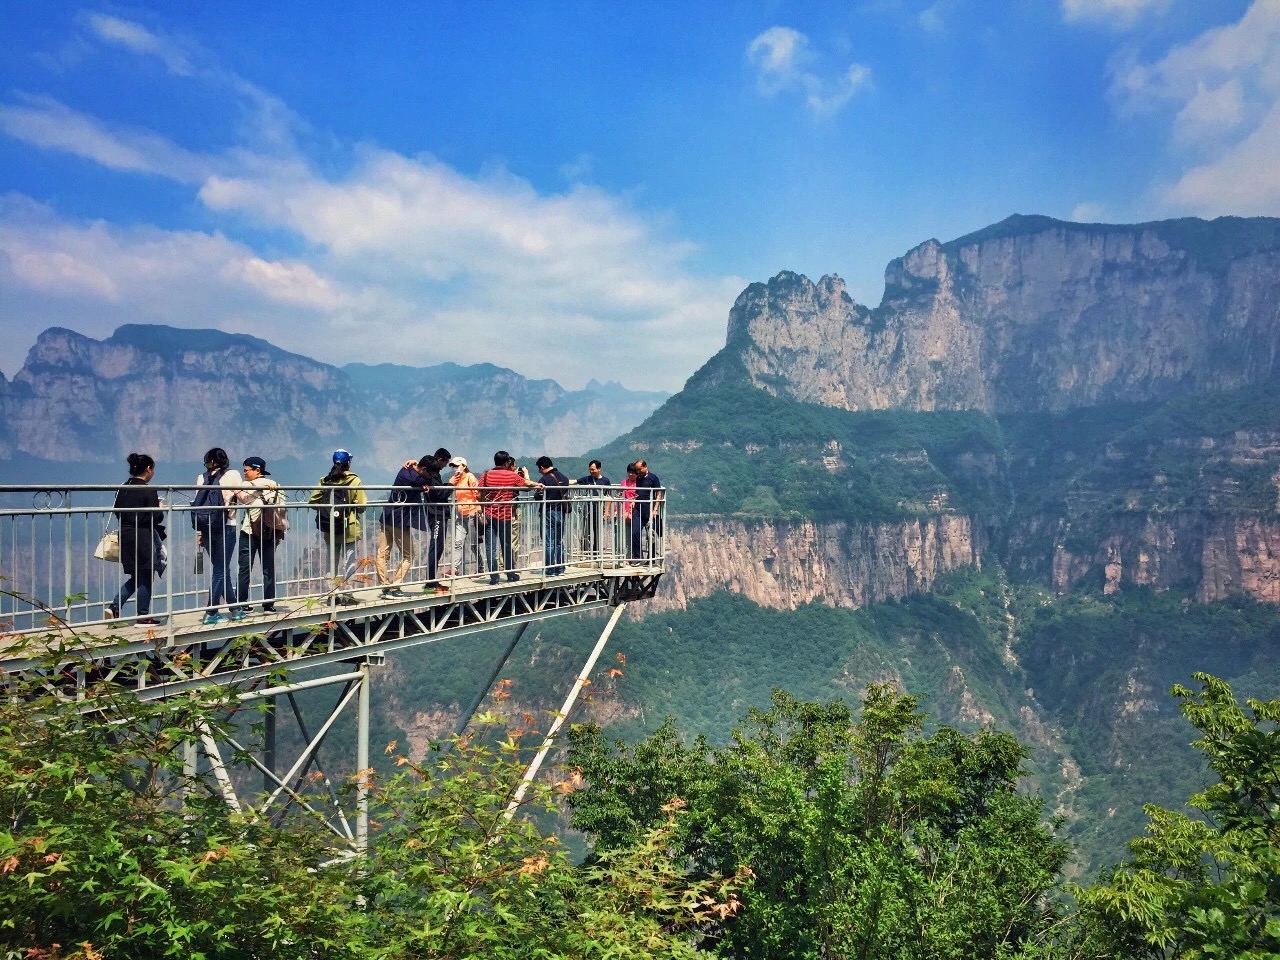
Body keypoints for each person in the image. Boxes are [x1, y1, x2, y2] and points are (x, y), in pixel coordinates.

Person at [105, 452, 165, 625]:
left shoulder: (123, 488)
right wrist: (160, 508)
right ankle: (143, 616)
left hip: (126, 534)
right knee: (146, 575)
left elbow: (117, 512)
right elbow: (156, 518)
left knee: (136, 576)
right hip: (143, 536)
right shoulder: (148, 489)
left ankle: (115, 607)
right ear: (148, 469)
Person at [309, 449, 367, 605]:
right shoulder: (354, 481)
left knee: (331, 562)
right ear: (348, 463)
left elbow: (313, 502)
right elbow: (362, 506)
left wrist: (328, 510)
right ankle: (348, 595)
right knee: (349, 561)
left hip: (331, 528)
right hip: (349, 527)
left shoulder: (325, 481)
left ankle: (332, 595)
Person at [193, 447, 242, 625]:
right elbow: (243, 497)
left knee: (222, 569)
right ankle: (211, 611)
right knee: (220, 570)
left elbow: (199, 506)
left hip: (206, 528)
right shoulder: (232, 475)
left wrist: (200, 532)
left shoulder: (201, 478)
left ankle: (235, 609)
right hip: (226, 526)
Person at [479, 450, 541, 585]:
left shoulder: (486, 474)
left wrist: (483, 508)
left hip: (488, 514)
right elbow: (526, 483)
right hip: (505, 515)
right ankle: (510, 574)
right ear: (507, 463)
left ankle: (494, 577)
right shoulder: (510, 475)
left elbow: (480, 492)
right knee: (506, 545)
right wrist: (538, 484)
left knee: (490, 547)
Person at [233, 456, 283, 614]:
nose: (244, 473)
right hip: (269, 531)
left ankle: (242, 603)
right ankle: (269, 604)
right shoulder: (275, 486)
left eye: (247, 470)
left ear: (257, 470)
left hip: (249, 531)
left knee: (245, 568)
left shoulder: (246, 486)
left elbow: (242, 499)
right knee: (268, 568)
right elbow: (281, 511)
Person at [377, 455, 430, 598]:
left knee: (382, 554)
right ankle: (395, 587)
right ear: (424, 469)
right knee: (409, 554)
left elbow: (419, 472)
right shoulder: (417, 480)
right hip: (399, 521)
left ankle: (385, 587)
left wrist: (414, 462)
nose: (429, 476)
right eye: (428, 472)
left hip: (386, 516)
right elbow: (426, 480)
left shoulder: (404, 470)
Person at [421, 448, 452, 593]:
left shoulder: (435, 474)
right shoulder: (432, 474)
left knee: (438, 547)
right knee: (436, 546)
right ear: (440, 459)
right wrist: (451, 485)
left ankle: (432, 581)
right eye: (445, 462)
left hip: (439, 514)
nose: (446, 466)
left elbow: (438, 490)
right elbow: (439, 494)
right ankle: (430, 583)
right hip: (436, 515)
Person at [448, 456, 484, 577]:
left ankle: (481, 568)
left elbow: (478, 493)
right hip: (460, 514)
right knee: (458, 542)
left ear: (464, 466)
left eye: (457, 466)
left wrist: (479, 509)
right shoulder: (455, 480)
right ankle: (454, 570)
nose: (454, 469)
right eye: (453, 466)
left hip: (472, 512)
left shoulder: (470, 477)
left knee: (474, 544)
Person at [535, 455, 571, 576]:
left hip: (548, 512)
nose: (540, 472)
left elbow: (538, 496)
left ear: (541, 467)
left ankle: (550, 569)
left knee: (549, 542)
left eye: (539, 469)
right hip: (561, 511)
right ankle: (560, 569)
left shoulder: (544, 480)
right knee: (558, 542)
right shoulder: (564, 478)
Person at [575, 459, 612, 558]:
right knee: (586, 531)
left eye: (593, 469)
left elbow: (609, 497)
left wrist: (607, 511)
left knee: (597, 531)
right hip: (587, 509)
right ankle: (586, 552)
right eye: (590, 469)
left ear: (599, 469)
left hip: (599, 509)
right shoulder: (587, 479)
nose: (591, 471)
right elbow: (574, 481)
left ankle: (596, 553)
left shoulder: (605, 481)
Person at [630, 459, 663, 564]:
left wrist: (655, 509)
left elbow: (658, 494)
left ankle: (651, 559)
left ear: (645, 467)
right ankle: (637, 557)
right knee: (635, 532)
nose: (638, 472)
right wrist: (634, 501)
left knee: (651, 535)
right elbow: (638, 492)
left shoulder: (653, 478)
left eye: (639, 469)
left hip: (649, 510)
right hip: (639, 509)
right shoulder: (638, 479)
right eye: (636, 470)